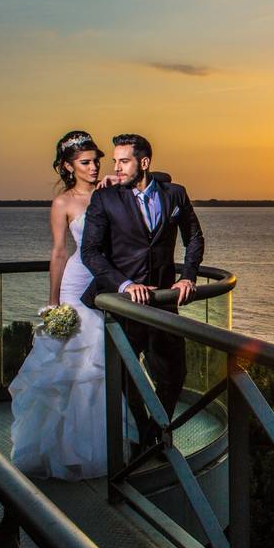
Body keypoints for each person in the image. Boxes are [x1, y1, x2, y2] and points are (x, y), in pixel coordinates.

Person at [80, 133, 204, 452]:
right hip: (123, 305)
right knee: (123, 375)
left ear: (144, 162)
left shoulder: (175, 194)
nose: (116, 168)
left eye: (124, 161)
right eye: (115, 161)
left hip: (164, 304)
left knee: (174, 373)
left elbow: (195, 238)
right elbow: (90, 252)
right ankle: (148, 436)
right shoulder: (105, 199)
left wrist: (187, 277)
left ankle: (153, 434)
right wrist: (125, 285)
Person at [9, 131, 110, 480]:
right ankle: (63, 452)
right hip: (74, 286)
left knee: (100, 365)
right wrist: (53, 303)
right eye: (85, 162)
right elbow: (58, 252)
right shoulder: (63, 203)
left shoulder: (111, 193)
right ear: (68, 166)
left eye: (96, 160)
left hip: (105, 285)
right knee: (70, 365)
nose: (94, 167)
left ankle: (100, 446)